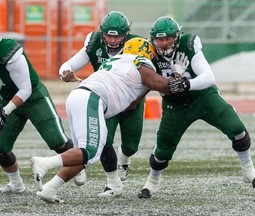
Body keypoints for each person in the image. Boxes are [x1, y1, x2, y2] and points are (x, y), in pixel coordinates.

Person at [30, 37, 187, 203]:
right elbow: (167, 87)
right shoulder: (140, 62)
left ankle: (49, 189)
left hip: (80, 97)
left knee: (87, 155)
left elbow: (131, 103)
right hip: (92, 99)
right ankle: (45, 163)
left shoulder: (116, 60)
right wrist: (177, 73)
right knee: (90, 152)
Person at [137, 16, 255, 199]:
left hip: (204, 97)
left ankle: (249, 170)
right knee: (162, 150)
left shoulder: (188, 44)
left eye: (168, 38)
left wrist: (186, 84)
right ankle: (152, 182)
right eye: (159, 39)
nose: (164, 43)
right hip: (175, 105)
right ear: (153, 39)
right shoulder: (148, 53)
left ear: (176, 37)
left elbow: (208, 77)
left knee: (237, 128)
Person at [59, 11, 146, 197]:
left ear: (126, 34)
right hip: (106, 100)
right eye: (108, 35)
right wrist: (65, 73)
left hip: (132, 101)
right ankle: (113, 184)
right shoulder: (94, 41)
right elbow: (67, 65)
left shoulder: (138, 45)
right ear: (102, 32)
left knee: (131, 146)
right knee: (104, 141)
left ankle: (124, 159)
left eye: (118, 36)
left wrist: (137, 98)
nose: (113, 40)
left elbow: (151, 78)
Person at [0, 36, 85, 193]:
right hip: (6, 99)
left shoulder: (7, 51)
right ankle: (16, 184)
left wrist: (5, 111)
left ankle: (77, 166)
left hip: (34, 98)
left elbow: (25, 89)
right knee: (1, 146)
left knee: (57, 140)